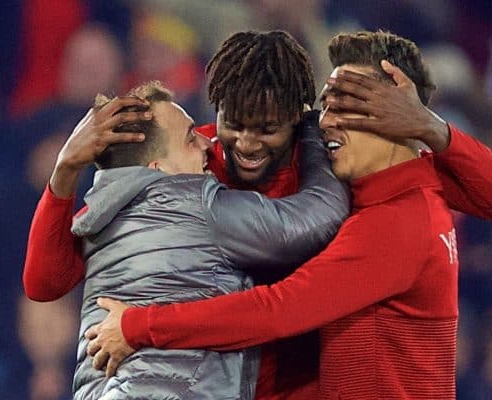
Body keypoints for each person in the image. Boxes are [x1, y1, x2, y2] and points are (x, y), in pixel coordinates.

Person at [23, 30, 492, 400]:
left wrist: (428, 126)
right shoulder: (190, 166)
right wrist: (65, 173)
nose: (244, 144)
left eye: (265, 128)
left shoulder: (347, 173)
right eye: (232, 124)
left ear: (296, 119)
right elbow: (49, 281)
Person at [51, 80, 348, 399]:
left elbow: (42, 282)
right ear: (157, 168)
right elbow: (318, 216)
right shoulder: (192, 202)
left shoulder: (98, 219)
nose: (207, 144)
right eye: (190, 139)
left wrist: (63, 171)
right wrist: (313, 134)